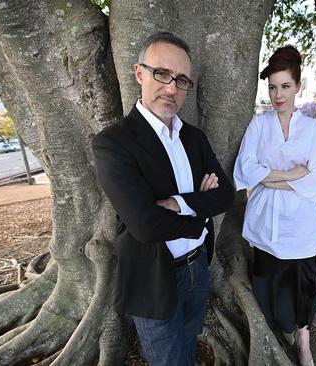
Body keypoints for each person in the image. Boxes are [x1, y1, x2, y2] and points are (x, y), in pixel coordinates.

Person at [92, 32, 234, 365]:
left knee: (189, 345)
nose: (171, 88)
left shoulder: (194, 138)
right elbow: (144, 224)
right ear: (139, 73)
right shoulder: (114, 143)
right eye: (161, 74)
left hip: (198, 265)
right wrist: (200, 205)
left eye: (181, 80)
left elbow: (226, 196)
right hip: (154, 279)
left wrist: (177, 203)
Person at [233, 45, 316, 366]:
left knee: (303, 284)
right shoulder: (259, 125)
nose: (278, 94)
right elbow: (245, 171)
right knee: (268, 282)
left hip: (300, 225)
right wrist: (291, 175)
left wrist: (268, 177)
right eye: (272, 87)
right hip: (264, 222)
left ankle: (303, 341)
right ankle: (272, 334)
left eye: (285, 86)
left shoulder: (312, 130)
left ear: (298, 86)